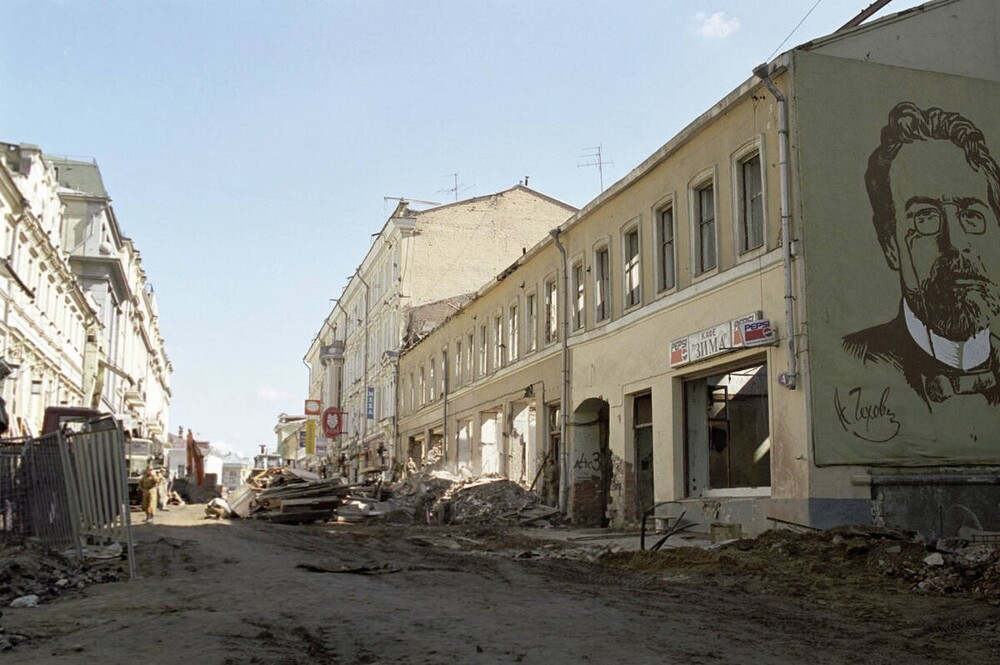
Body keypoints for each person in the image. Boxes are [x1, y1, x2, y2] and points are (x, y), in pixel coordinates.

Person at [842, 101, 1000, 409]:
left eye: (971, 215)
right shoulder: (858, 359)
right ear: (890, 246)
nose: (954, 243)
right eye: (926, 216)